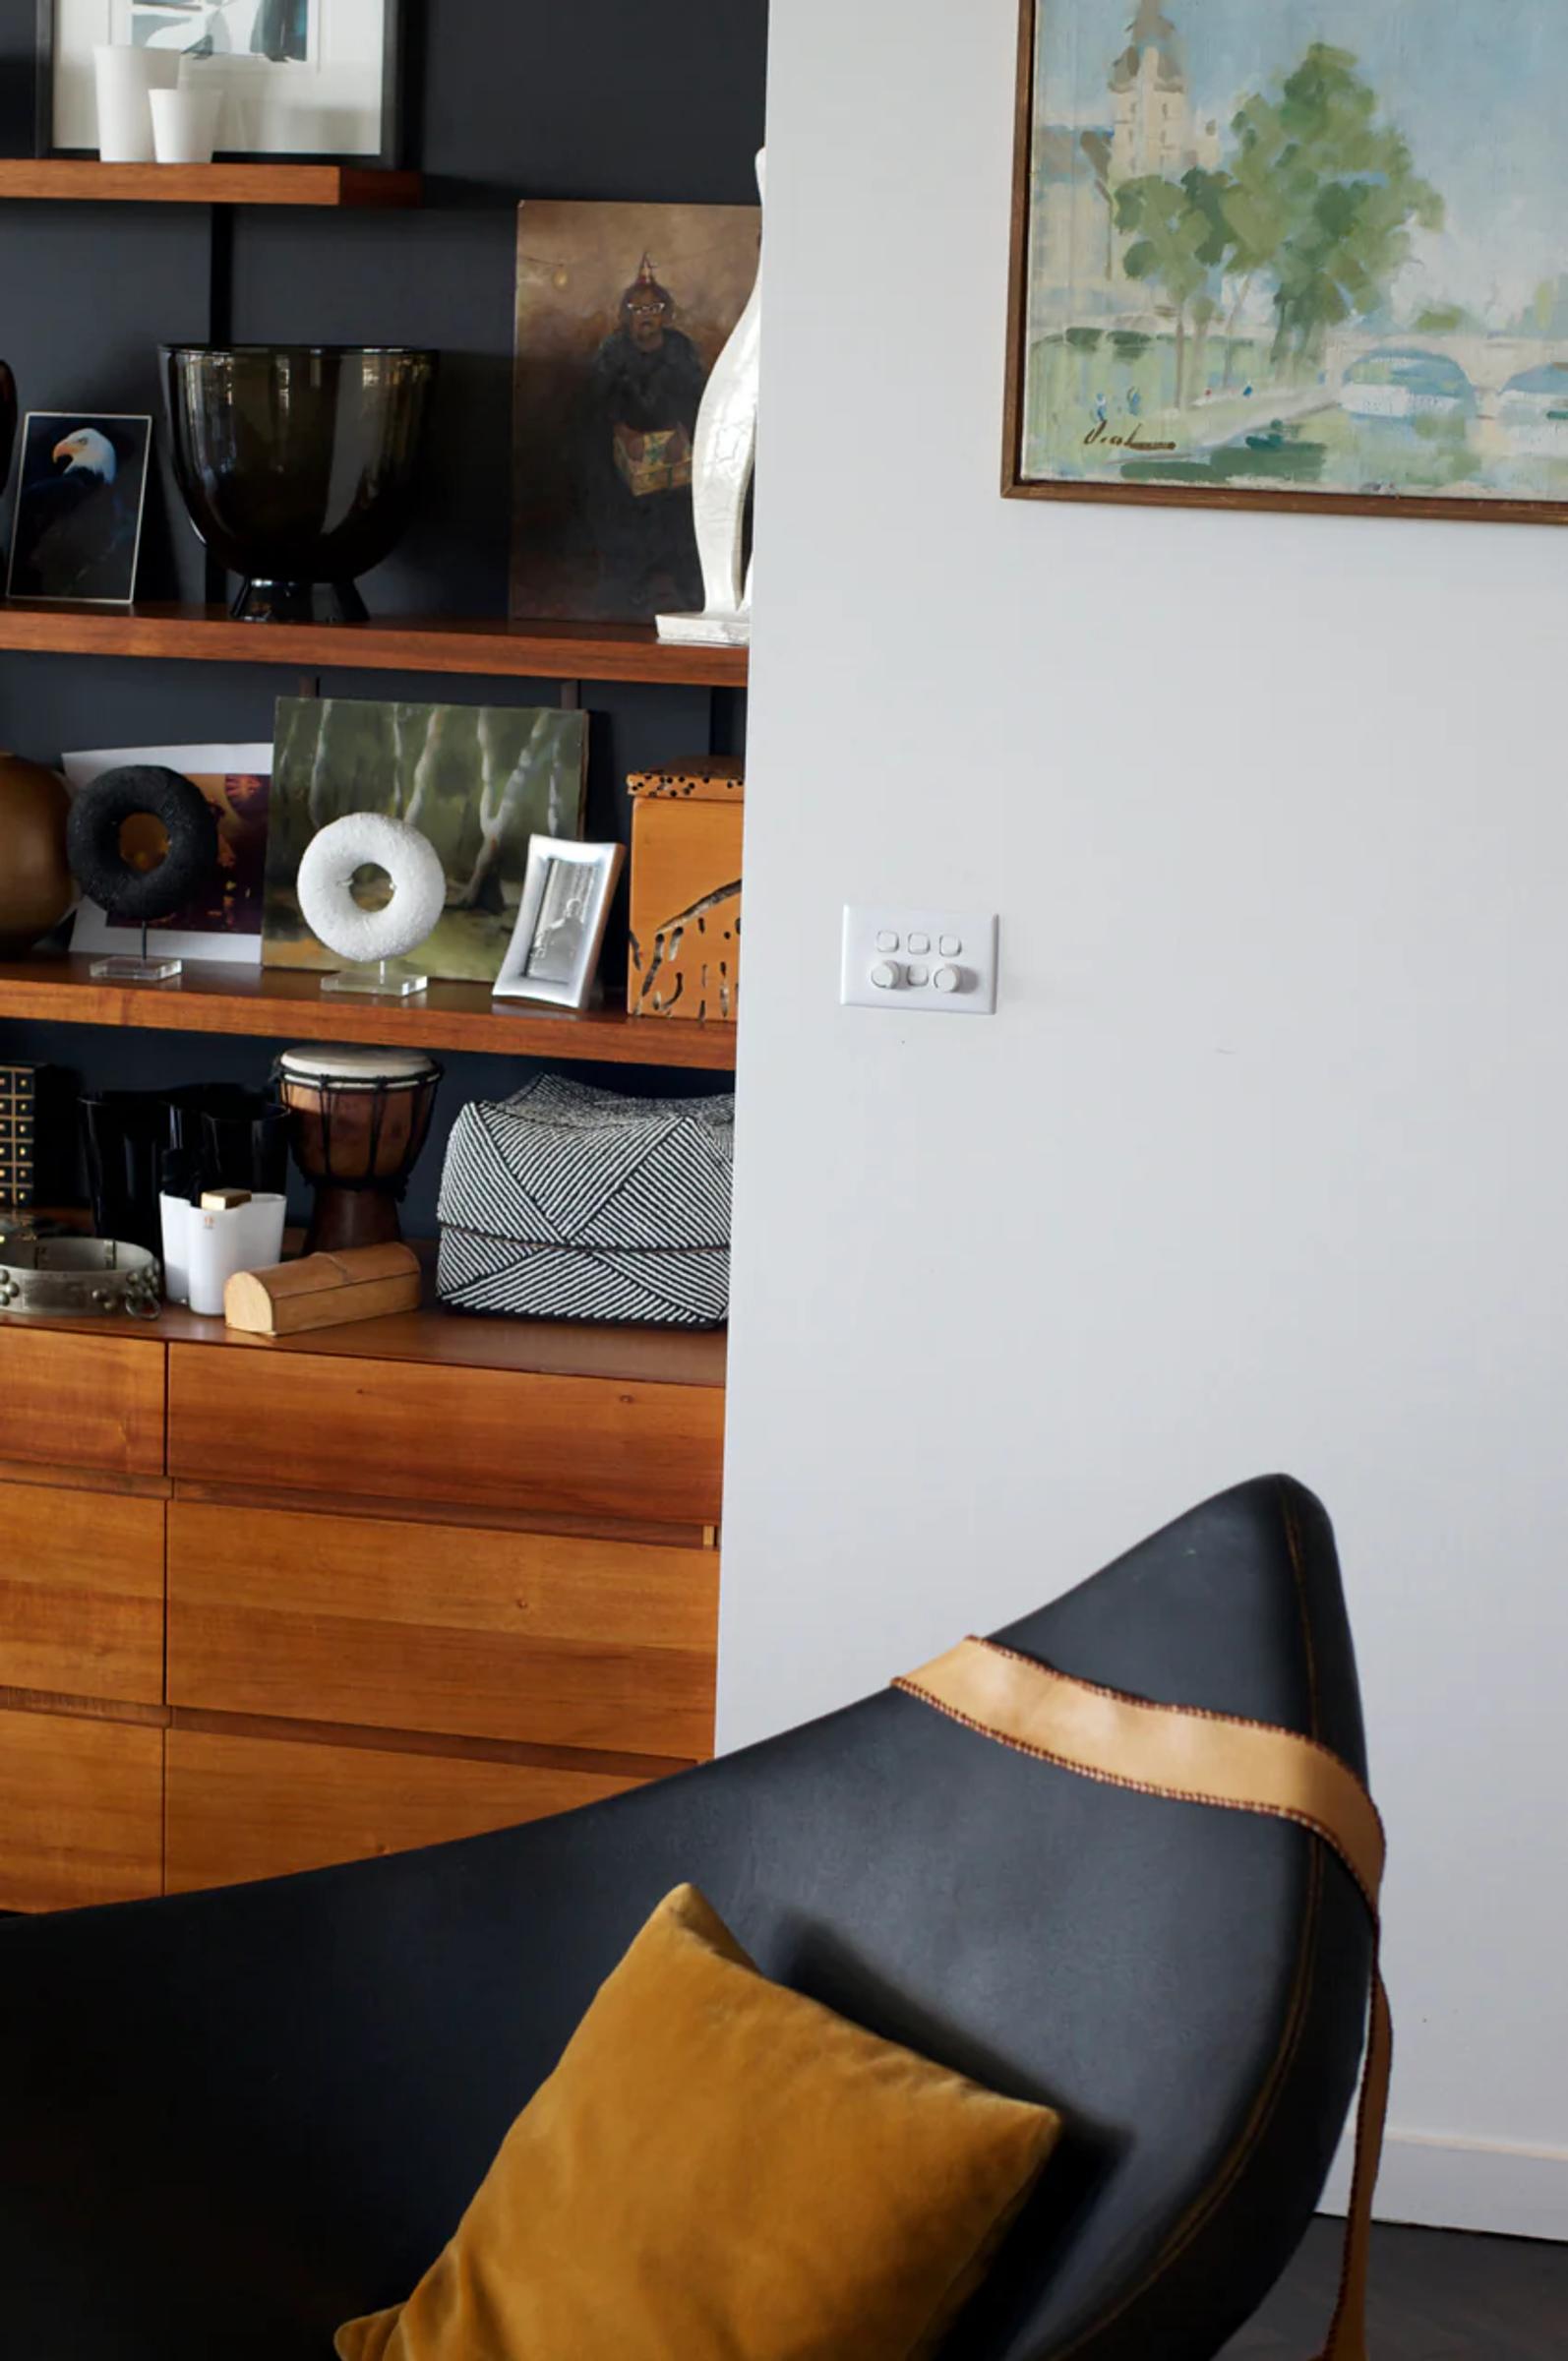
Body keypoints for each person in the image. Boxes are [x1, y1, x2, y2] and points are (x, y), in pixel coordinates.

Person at [578, 257, 708, 619]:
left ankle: (685, 595)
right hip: (624, 454)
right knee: (618, 511)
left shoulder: (680, 348)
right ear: (626, 314)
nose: (645, 315)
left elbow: (696, 395)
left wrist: (682, 433)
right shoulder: (612, 350)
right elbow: (598, 401)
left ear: (665, 312)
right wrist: (623, 431)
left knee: (680, 512)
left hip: (674, 452)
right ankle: (628, 592)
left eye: (653, 307)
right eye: (638, 308)